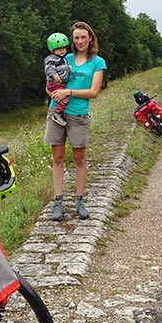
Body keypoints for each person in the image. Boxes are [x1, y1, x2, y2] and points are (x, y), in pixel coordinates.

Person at [44, 21, 107, 221]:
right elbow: (48, 84)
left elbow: (93, 92)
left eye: (83, 37)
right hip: (57, 113)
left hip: (78, 115)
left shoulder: (97, 62)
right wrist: (53, 93)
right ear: (72, 40)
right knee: (58, 158)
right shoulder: (64, 57)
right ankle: (58, 202)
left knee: (79, 159)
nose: (80, 41)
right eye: (76, 38)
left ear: (90, 39)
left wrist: (68, 91)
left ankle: (79, 201)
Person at [44, 32, 72, 127]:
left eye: (64, 48)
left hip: (59, 84)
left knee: (63, 98)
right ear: (52, 49)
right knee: (64, 100)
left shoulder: (62, 59)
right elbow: (48, 68)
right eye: (59, 49)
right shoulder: (52, 59)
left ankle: (59, 112)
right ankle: (58, 114)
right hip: (54, 83)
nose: (62, 51)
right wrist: (55, 75)